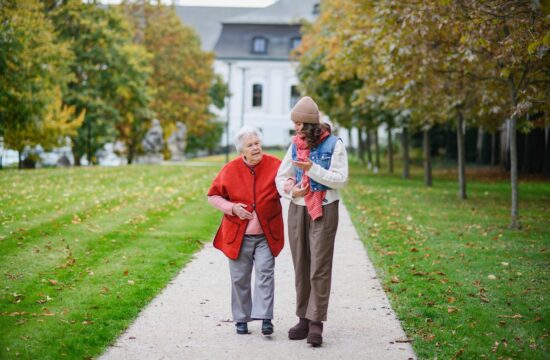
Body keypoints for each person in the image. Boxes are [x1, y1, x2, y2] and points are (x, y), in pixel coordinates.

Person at [276, 96, 348, 347]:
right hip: (298, 209)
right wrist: (291, 191)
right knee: (301, 265)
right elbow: (281, 176)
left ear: (308, 123)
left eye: (298, 123)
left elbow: (340, 179)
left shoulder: (334, 145)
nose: (295, 128)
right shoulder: (295, 145)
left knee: (319, 265)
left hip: (324, 209)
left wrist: (311, 169)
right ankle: (303, 319)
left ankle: (316, 322)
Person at [207, 126, 284, 336]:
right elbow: (213, 196)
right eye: (250, 145)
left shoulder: (275, 165)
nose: (256, 148)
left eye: (257, 143)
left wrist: (291, 187)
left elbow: (288, 183)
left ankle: (266, 318)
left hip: (266, 235)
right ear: (242, 151)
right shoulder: (230, 169)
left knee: (265, 274)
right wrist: (232, 208)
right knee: (239, 278)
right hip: (239, 236)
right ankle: (241, 319)